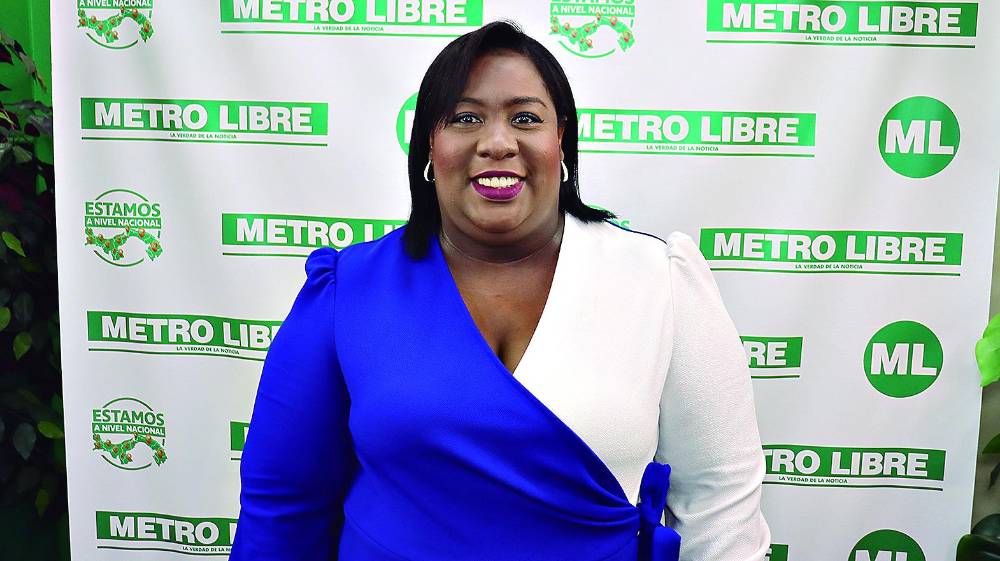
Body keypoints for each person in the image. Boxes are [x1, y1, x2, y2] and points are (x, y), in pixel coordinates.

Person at [230, 20, 770, 561]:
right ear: (429, 146)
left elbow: (720, 506)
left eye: (525, 118)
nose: (497, 143)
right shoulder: (347, 290)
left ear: (561, 142)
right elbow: (284, 510)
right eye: (466, 118)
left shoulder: (661, 280)